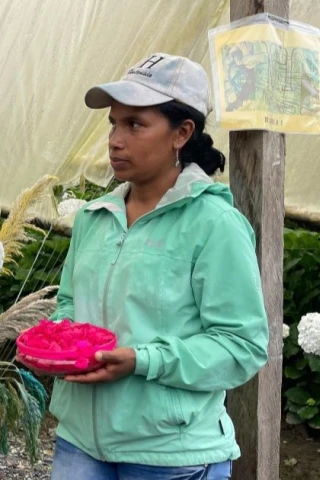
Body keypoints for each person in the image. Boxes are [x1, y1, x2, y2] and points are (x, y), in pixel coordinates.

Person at [45, 53, 269, 480]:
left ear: (182, 132)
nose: (115, 139)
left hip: (170, 453)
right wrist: (59, 343)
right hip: (79, 442)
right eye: (113, 122)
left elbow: (242, 344)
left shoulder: (214, 225)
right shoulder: (94, 218)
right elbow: (70, 305)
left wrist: (142, 360)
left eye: (135, 124)